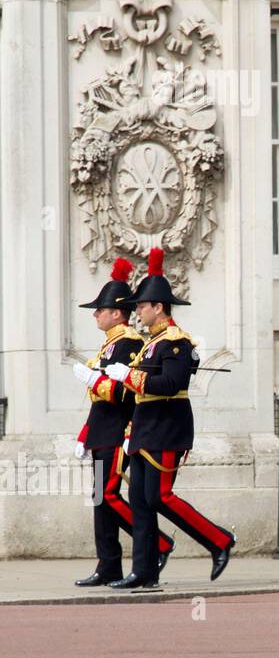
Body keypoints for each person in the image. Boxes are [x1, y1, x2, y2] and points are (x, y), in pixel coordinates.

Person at [102, 248, 235, 590]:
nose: (137, 312)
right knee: (141, 502)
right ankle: (144, 571)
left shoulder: (176, 341)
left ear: (158, 307)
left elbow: (172, 384)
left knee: (160, 496)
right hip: (146, 427)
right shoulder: (151, 343)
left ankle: (218, 540)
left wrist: (128, 377)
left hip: (167, 426)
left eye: (141, 306)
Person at [69, 257, 174, 586]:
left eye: (100, 308)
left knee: (110, 495)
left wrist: (92, 380)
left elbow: (124, 394)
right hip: (102, 432)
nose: (95, 314)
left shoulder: (129, 343)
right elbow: (100, 401)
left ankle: (158, 543)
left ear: (117, 312)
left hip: (119, 431)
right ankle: (108, 564)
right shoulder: (111, 344)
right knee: (100, 499)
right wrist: (85, 435)